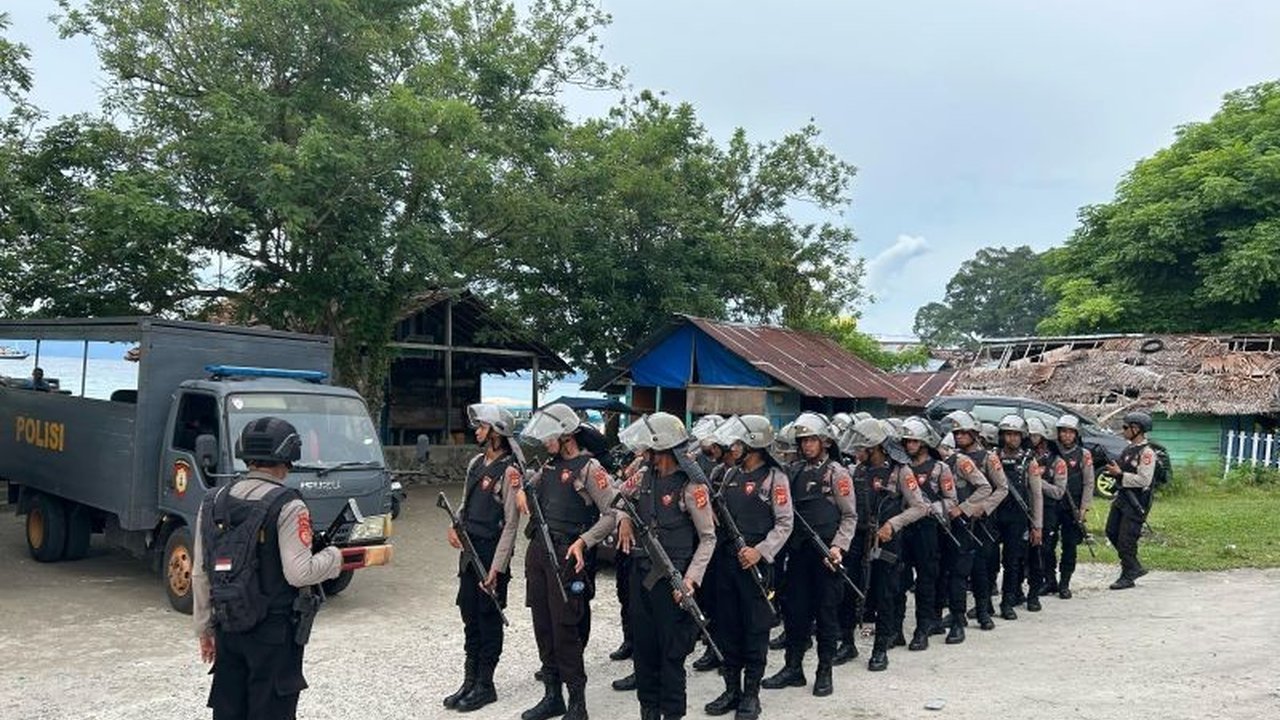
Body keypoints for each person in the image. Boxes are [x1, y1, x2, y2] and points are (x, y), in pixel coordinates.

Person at [192, 417, 345, 720]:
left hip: (228, 626)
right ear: (289, 454)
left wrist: (204, 630)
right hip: (273, 633)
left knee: (228, 710)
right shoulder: (288, 505)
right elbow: (299, 572)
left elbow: (200, 572)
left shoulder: (212, 501)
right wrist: (334, 557)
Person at [517, 403, 620, 720]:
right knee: (543, 625)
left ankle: (577, 703)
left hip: (569, 555)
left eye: (551, 436)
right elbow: (526, 489)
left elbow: (613, 513)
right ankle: (552, 696)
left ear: (567, 436)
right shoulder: (548, 466)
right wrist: (521, 490)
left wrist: (585, 541)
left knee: (566, 628)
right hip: (540, 552)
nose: (546, 442)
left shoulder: (590, 469)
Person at [615, 413, 717, 720]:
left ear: (667, 451)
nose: (647, 458)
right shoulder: (644, 477)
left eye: (652, 452)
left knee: (671, 655)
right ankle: (648, 711)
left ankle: (672, 713)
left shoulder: (691, 487)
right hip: (642, 576)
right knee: (644, 652)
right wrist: (623, 520)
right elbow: (617, 497)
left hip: (675, 584)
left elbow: (708, 538)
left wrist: (690, 580)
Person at [704, 414, 792, 720]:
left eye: (739, 442)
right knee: (728, 627)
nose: (733, 447)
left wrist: (761, 552)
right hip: (727, 563)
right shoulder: (730, 475)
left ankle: (751, 695)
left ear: (754, 444)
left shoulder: (774, 478)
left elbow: (784, 524)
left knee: (755, 630)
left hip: (756, 566)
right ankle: (732, 689)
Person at [763, 413, 855, 697]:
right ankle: (793, 668)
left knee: (826, 615)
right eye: (803, 440)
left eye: (812, 440)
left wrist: (838, 547)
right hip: (799, 553)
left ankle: (824, 670)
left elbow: (850, 516)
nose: (807, 445)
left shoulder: (837, 473)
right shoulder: (794, 471)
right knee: (795, 613)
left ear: (825, 442)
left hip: (827, 555)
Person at [442, 404, 523, 712]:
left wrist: (496, 568)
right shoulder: (476, 462)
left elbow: (511, 525)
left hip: (491, 554)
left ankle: (486, 685)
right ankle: (470, 679)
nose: (476, 430)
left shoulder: (510, 471)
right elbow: (465, 503)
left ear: (496, 432)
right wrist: (454, 524)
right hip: (469, 551)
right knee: (469, 617)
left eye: (482, 426)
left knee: (489, 620)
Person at [840, 418, 926, 672]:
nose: (857, 453)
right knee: (849, 591)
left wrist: (893, 524)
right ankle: (847, 643)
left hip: (887, 541)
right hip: (858, 538)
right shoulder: (858, 471)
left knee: (884, 594)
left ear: (873, 447)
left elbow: (920, 507)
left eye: (861, 449)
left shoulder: (901, 471)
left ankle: (880, 649)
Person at [943, 410, 1005, 631]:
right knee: (955, 569)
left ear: (974, 433)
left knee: (980, 568)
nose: (959, 436)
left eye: (963, 432)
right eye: (956, 433)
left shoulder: (989, 457)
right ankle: (955, 612)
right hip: (957, 520)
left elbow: (1001, 488)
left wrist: (982, 508)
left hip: (980, 521)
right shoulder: (953, 457)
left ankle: (982, 611)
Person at [897, 418, 951, 651]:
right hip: (904, 527)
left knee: (926, 581)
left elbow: (951, 501)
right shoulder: (900, 467)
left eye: (914, 441)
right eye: (906, 440)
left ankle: (923, 628)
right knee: (898, 580)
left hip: (927, 529)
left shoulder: (940, 468)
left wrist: (932, 508)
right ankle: (895, 631)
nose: (909, 444)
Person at [934, 428, 991, 644]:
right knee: (937, 573)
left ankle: (958, 621)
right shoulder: (927, 465)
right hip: (935, 525)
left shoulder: (960, 462)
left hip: (959, 525)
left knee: (959, 574)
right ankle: (935, 618)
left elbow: (984, 487)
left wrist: (964, 508)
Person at [992, 415, 1044, 620]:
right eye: (1007, 434)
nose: (1010, 438)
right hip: (994, 516)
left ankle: (1008, 601)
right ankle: (985, 602)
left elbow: (1036, 494)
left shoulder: (1029, 460)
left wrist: (1037, 525)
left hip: (1018, 516)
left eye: (1015, 434)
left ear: (1021, 437)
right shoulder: (993, 457)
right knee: (988, 561)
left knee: (1013, 562)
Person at [688, 414, 726, 674]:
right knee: (704, 594)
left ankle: (720, 648)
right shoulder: (696, 461)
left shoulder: (727, 465)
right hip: (701, 535)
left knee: (720, 597)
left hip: (725, 538)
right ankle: (705, 639)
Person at [1103, 411, 1157, 590]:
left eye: (1126, 427)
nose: (1123, 430)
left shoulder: (1147, 452)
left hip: (1137, 502)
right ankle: (1134, 566)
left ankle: (1128, 574)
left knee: (1127, 539)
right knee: (1111, 531)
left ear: (1136, 429)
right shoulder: (1128, 449)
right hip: (1122, 498)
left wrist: (1121, 474)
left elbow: (1144, 480)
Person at [1050, 415, 1094, 598]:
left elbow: (1089, 483)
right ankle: (1049, 580)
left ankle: (1065, 583)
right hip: (1052, 506)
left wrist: (1083, 509)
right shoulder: (1051, 452)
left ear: (1076, 434)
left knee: (1069, 545)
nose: (1067, 436)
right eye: (1063, 432)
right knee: (1047, 545)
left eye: (1070, 432)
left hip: (1073, 507)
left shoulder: (1084, 454)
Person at [1026, 417, 1066, 611]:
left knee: (1046, 547)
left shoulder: (1057, 461)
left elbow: (1059, 492)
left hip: (1049, 509)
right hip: (1027, 507)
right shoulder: (1025, 457)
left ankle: (1050, 579)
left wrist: (1035, 482)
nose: (1031, 438)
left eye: (1035, 435)